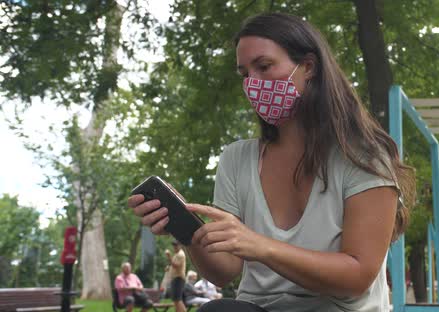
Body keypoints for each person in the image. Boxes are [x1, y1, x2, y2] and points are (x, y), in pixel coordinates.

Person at [128, 12, 415, 312]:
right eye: (244, 74)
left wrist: (261, 246)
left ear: (308, 67)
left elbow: (358, 275)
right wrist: (186, 231)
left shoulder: (364, 157)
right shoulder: (236, 159)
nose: (253, 83)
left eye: (264, 66)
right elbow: (224, 270)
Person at [167, 240, 187, 312]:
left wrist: (169, 257)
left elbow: (177, 266)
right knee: (176, 300)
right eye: (174, 245)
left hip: (178, 278)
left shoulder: (180, 254)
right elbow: (173, 265)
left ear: (180, 245)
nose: (174, 247)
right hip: (175, 279)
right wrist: (169, 268)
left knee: (178, 300)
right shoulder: (176, 254)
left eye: (176, 245)